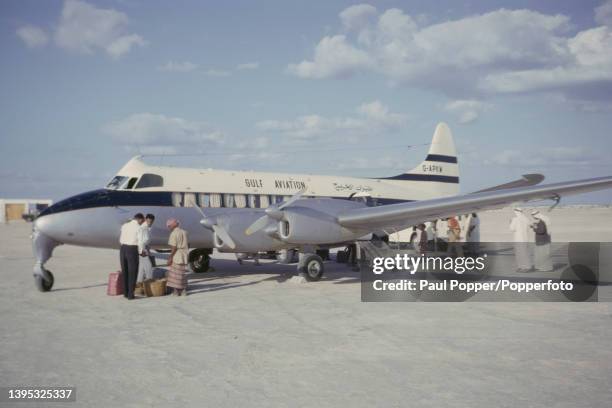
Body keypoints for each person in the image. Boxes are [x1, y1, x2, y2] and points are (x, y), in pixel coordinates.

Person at [119, 213, 144, 299]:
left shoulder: (124, 225)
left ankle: (125, 293)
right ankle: (130, 294)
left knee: (125, 271)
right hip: (132, 249)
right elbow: (140, 241)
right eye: (142, 221)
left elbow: (121, 238)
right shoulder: (139, 228)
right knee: (132, 272)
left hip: (123, 248)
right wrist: (141, 251)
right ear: (140, 219)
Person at [166, 218, 190, 296]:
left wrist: (170, 257)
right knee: (182, 273)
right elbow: (188, 244)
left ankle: (176, 291)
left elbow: (174, 247)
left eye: (169, 226)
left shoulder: (174, 234)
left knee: (175, 275)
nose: (169, 228)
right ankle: (183, 290)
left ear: (173, 225)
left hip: (177, 255)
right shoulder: (185, 232)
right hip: (184, 255)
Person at [509, 208, 533, 272]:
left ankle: (522, 267)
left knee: (519, 253)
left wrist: (510, 222)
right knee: (525, 253)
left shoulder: (515, 219)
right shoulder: (526, 218)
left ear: (516, 212)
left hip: (518, 239)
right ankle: (526, 266)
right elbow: (531, 225)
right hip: (525, 238)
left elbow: (512, 229)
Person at [136, 214, 155, 286]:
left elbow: (146, 241)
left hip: (143, 249)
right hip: (142, 250)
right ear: (146, 220)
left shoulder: (147, 227)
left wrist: (148, 249)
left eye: (151, 221)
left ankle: (139, 282)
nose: (150, 223)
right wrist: (142, 251)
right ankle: (149, 282)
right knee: (148, 266)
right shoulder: (143, 228)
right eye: (149, 221)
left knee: (141, 268)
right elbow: (140, 241)